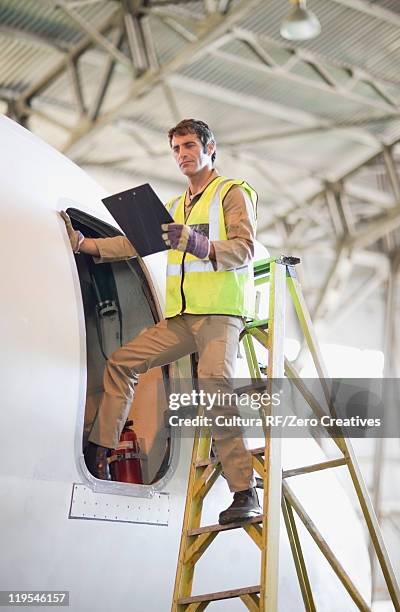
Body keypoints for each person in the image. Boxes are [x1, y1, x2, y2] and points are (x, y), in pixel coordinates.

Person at [60, 119, 261, 525]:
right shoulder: (173, 206)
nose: (183, 154)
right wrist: (86, 245)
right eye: (176, 149)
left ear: (209, 147)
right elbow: (133, 244)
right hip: (184, 318)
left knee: (214, 389)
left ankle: (245, 491)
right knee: (122, 362)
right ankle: (100, 452)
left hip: (220, 315)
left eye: (189, 145)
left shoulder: (231, 192)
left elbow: (244, 249)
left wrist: (197, 242)